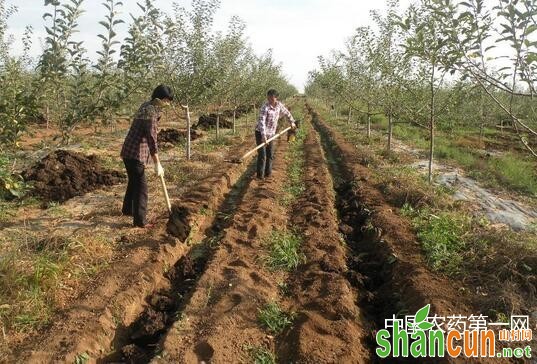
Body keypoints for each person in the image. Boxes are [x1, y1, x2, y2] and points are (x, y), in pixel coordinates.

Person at [120, 85, 173, 228]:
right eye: (167, 100)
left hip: (128, 151)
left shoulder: (147, 105)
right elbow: (151, 138)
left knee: (133, 181)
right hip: (135, 153)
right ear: (160, 99)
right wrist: (157, 163)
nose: (168, 104)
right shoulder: (150, 112)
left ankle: (127, 209)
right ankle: (140, 221)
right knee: (141, 188)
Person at [255, 89, 296, 180]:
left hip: (271, 134)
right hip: (260, 133)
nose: (269, 100)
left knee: (270, 154)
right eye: (268, 97)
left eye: (271, 98)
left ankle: (268, 174)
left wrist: (292, 122)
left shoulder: (279, 105)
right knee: (262, 155)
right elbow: (261, 122)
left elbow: (287, 113)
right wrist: (263, 136)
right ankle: (259, 176)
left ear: (276, 98)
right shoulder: (264, 107)